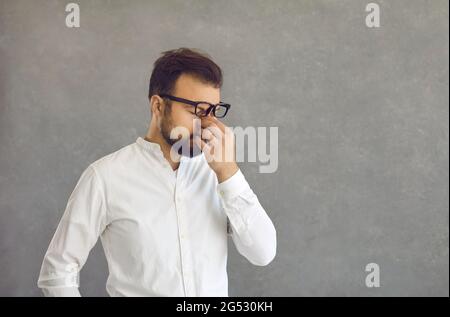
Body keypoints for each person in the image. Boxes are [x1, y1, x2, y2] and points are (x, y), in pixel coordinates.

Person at [37, 47, 276, 296]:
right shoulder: (105, 177)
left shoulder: (220, 174)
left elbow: (263, 253)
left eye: (213, 111)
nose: (208, 123)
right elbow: (58, 270)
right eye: (197, 110)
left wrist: (229, 174)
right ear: (158, 105)